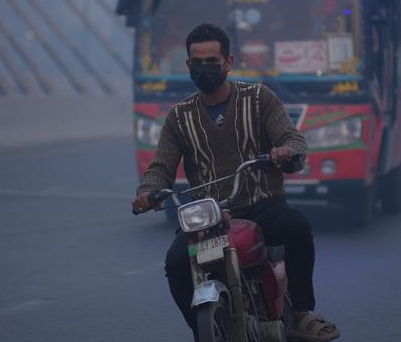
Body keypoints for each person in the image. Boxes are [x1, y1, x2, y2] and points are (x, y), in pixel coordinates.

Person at [132, 23, 340, 341]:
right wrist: (148, 191)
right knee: (176, 263)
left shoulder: (259, 99)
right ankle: (208, 328)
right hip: (209, 219)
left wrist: (287, 152)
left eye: (211, 61)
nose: (204, 68)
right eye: (196, 62)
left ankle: (300, 314)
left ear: (228, 63)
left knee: (297, 226)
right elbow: (161, 168)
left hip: (261, 205)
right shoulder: (179, 117)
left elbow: (291, 138)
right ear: (188, 66)